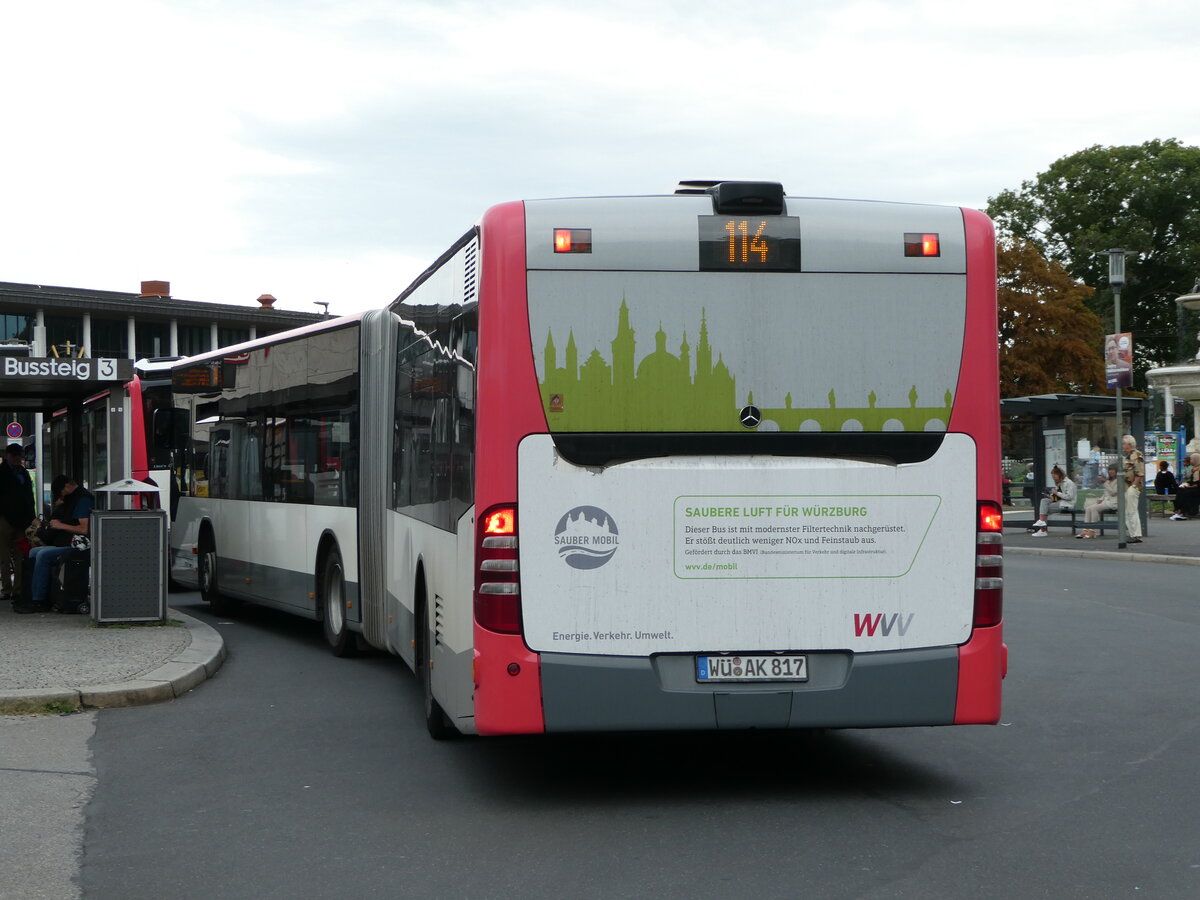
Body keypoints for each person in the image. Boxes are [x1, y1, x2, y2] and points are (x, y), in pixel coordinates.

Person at [14, 475, 93, 614]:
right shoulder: (71, 499)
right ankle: (30, 595)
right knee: (34, 552)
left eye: (60, 492)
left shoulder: (83, 499)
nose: (60, 496)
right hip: (66, 542)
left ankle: (39, 600)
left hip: (78, 546)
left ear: (67, 486)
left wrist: (59, 525)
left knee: (43, 555)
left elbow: (84, 529)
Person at [0, 443, 36, 601]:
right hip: (4, 519)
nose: (17, 459)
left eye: (19, 456)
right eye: (14, 455)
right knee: (4, 555)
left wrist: (31, 517)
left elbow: (29, 497)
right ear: (8, 455)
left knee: (21, 554)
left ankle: (18, 589)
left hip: (21, 520)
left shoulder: (24, 473)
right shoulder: (2, 472)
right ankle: (7, 589)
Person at [1030, 465, 1076, 536]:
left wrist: (1057, 493)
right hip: (1061, 502)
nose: (1054, 479)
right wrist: (1052, 497)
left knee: (1044, 509)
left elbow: (1069, 497)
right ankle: (1042, 522)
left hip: (1067, 504)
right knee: (1044, 501)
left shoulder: (1069, 483)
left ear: (1059, 475)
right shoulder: (1060, 483)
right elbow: (1058, 497)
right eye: (1052, 477)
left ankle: (1043, 529)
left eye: (1055, 477)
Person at [1077, 466, 1119, 539]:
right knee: (1088, 508)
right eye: (1109, 470)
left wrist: (1105, 483)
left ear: (1116, 471)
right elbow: (1106, 493)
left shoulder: (1118, 481)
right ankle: (1086, 529)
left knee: (1094, 509)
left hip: (1113, 502)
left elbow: (1113, 493)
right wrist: (1101, 498)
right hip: (1106, 501)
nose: (1110, 472)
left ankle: (1093, 530)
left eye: (1112, 470)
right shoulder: (1109, 481)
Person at [1122, 434, 1144, 543]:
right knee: (1127, 511)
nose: (1122, 445)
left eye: (1124, 443)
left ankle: (1136, 535)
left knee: (1132, 511)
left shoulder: (1137, 455)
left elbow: (1140, 473)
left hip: (1132, 487)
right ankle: (1132, 534)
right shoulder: (1126, 456)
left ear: (1129, 444)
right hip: (1126, 487)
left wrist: (1134, 486)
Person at [1171, 453, 1200, 520]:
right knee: (1180, 490)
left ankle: (1181, 512)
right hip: (1195, 488)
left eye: (1192, 459)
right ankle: (1179, 511)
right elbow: (1193, 481)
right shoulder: (1195, 469)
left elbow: (1198, 483)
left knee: (1184, 493)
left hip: (1198, 489)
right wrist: (1186, 484)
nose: (1191, 461)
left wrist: (1189, 487)